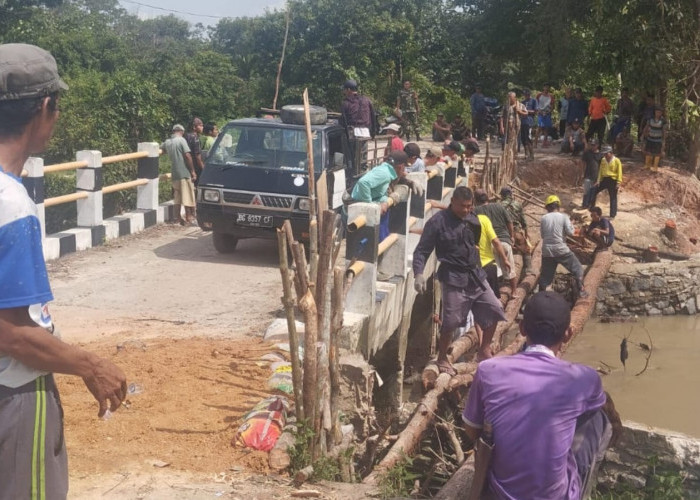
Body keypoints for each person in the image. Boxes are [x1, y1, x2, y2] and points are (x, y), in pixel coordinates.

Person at [0, 43, 128, 500]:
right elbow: (10, 335)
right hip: (13, 393)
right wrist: (91, 366)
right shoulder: (12, 205)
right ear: (45, 108)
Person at [462, 291, 618, 500]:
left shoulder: (489, 369)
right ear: (568, 334)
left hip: (499, 494)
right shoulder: (584, 378)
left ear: (522, 329)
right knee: (599, 418)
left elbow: (472, 431)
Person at [413, 186, 507, 366]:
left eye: (469, 206)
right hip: (453, 277)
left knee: (495, 309)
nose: (466, 210)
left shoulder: (473, 219)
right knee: (451, 321)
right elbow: (422, 251)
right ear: (452, 202)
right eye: (462, 206)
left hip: (475, 275)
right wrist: (418, 274)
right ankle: (442, 359)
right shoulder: (437, 222)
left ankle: (484, 349)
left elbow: (474, 242)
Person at [350, 150, 410, 241]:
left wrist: (385, 201)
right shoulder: (384, 173)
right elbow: (363, 183)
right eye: (404, 167)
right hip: (358, 207)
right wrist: (370, 205)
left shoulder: (386, 171)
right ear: (400, 166)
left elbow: (380, 191)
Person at [539, 195, 588, 298]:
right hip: (561, 249)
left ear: (547, 207)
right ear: (558, 206)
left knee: (546, 278)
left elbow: (543, 235)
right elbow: (570, 232)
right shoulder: (563, 216)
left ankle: (541, 297)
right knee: (578, 269)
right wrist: (571, 225)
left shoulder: (543, 218)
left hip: (547, 250)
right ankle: (581, 291)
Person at [474, 189, 517, 297]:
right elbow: (509, 222)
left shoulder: (475, 211)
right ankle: (514, 292)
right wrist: (511, 236)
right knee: (510, 268)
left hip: (489, 245)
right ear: (488, 197)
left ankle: (493, 294)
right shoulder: (499, 206)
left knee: (494, 271)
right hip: (503, 242)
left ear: (475, 200)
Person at [340, 79, 377, 176]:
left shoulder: (345, 103)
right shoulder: (366, 100)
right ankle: (361, 174)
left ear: (348, 90)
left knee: (350, 157)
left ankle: (351, 176)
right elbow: (373, 117)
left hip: (352, 133)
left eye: (344, 90)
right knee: (362, 158)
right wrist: (373, 133)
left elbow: (343, 121)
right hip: (364, 133)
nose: (344, 92)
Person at [162, 124, 197, 225]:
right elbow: (187, 155)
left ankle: (176, 218)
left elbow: (161, 148)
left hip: (175, 173)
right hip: (184, 172)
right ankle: (189, 217)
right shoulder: (181, 140)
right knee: (187, 195)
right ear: (181, 131)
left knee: (177, 196)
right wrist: (193, 171)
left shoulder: (168, 142)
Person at [499, 187, 533, 274]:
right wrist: (526, 234)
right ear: (511, 195)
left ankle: (504, 273)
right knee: (526, 249)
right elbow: (523, 221)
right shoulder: (517, 204)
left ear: (502, 195)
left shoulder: (498, 205)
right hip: (516, 232)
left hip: (504, 234)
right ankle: (528, 270)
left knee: (502, 253)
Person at [590, 146, 622, 219]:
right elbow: (600, 170)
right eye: (604, 154)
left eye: (606, 154)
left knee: (613, 197)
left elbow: (619, 172)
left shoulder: (617, 160)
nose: (605, 156)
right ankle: (592, 208)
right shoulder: (603, 160)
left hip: (613, 180)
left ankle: (612, 214)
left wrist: (618, 182)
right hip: (604, 179)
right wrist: (598, 180)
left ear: (611, 153)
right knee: (594, 190)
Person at [642, 107, 667, 172]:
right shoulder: (650, 119)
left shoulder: (663, 121)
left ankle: (655, 167)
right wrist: (643, 134)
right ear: (654, 112)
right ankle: (647, 165)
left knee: (657, 153)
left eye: (660, 112)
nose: (658, 113)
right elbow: (646, 127)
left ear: (661, 113)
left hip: (658, 139)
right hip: (650, 137)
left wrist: (664, 140)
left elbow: (664, 131)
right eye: (657, 112)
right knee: (648, 152)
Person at [515, 90, 535, 160]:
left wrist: (525, 110)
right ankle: (526, 154)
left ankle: (532, 155)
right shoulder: (522, 103)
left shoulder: (533, 101)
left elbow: (535, 111)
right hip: (522, 122)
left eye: (528, 94)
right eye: (525, 95)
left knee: (528, 138)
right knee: (523, 139)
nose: (527, 96)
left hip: (529, 122)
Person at [581, 139, 600, 208]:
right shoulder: (587, 153)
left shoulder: (600, 155)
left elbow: (601, 166)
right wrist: (582, 173)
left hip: (596, 176)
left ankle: (592, 206)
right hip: (587, 175)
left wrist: (599, 177)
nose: (592, 146)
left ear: (597, 145)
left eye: (594, 145)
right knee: (586, 191)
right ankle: (585, 205)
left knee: (593, 192)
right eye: (591, 145)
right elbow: (583, 163)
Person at [186, 117, 205, 185]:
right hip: (195, 167)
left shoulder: (186, 136)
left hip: (186, 166)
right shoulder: (195, 138)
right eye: (201, 125)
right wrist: (203, 168)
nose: (202, 127)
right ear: (194, 127)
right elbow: (197, 156)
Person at [535, 83, 555, 147]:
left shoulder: (551, 96)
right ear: (543, 88)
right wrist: (538, 111)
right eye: (545, 87)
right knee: (539, 128)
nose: (546, 88)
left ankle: (544, 143)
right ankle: (535, 143)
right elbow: (536, 103)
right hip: (540, 113)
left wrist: (549, 111)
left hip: (547, 113)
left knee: (546, 128)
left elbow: (552, 105)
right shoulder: (539, 95)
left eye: (547, 87)